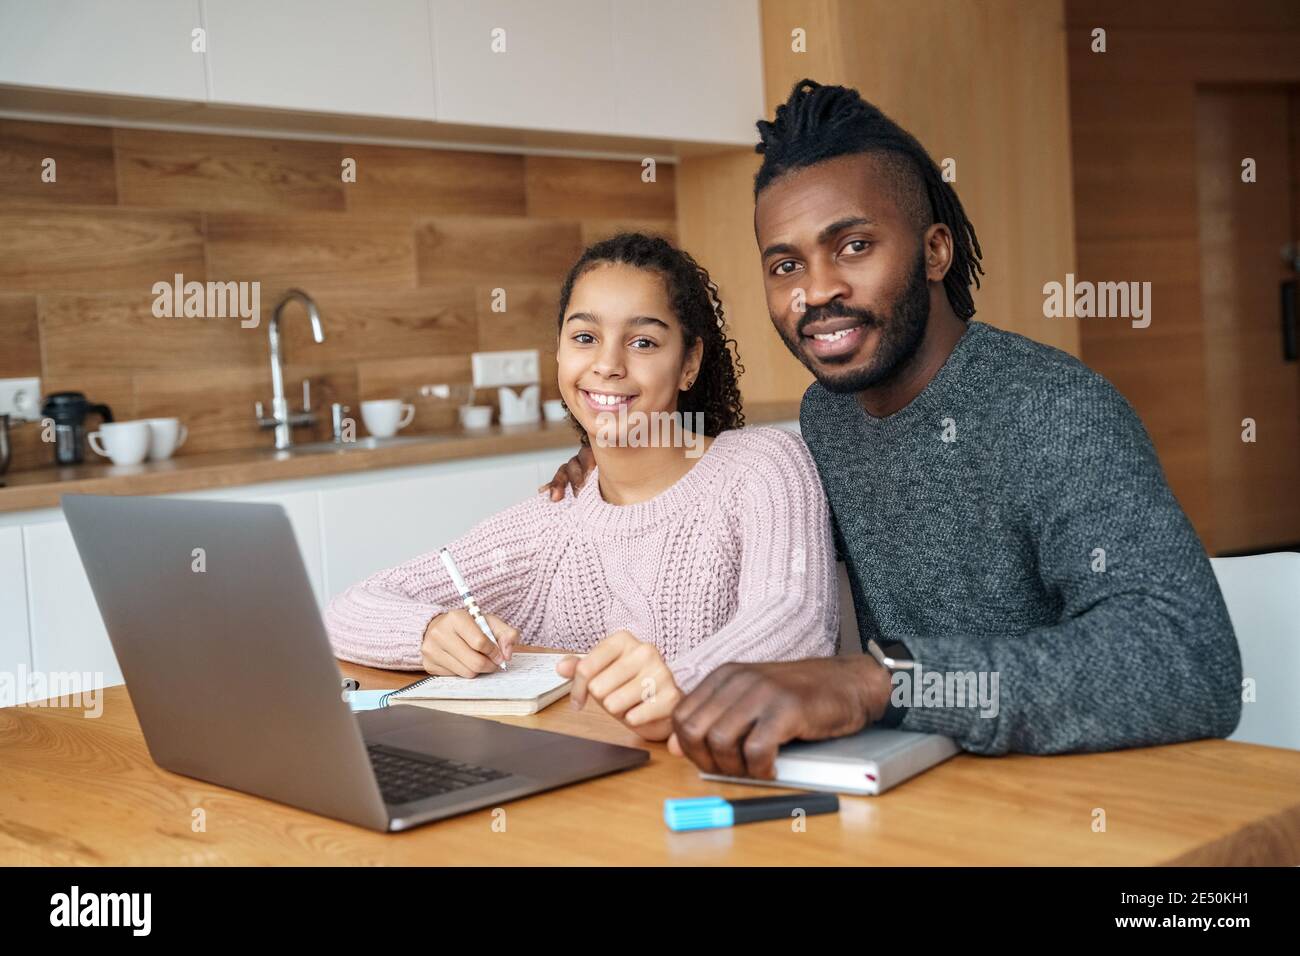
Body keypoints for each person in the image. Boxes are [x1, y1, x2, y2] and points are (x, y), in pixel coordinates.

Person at [543, 80, 1242, 778]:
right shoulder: (829, 417)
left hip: (1088, 799)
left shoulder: (1051, 408)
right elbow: (739, 510)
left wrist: (883, 681)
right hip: (916, 791)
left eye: (852, 246)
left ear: (936, 252)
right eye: (787, 264)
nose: (815, 291)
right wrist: (614, 453)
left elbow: (1185, 658)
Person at [324, 232, 839, 742]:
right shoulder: (551, 521)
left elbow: (797, 619)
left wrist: (683, 683)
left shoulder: (762, 467)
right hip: (585, 802)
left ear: (688, 362)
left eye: (643, 342)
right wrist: (428, 633)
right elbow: (348, 609)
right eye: (585, 337)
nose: (608, 364)